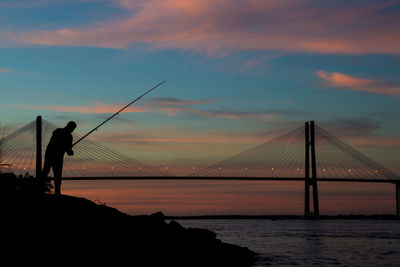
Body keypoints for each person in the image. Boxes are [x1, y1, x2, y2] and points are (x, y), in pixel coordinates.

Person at [42, 121, 76, 195]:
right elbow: (56, 143)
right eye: (72, 128)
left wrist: (70, 151)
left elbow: (68, 151)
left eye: (73, 129)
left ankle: (57, 192)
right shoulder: (58, 132)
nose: (72, 130)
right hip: (52, 155)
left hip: (55, 156)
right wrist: (68, 149)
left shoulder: (67, 135)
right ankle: (41, 190)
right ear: (68, 126)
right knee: (48, 172)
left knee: (56, 174)